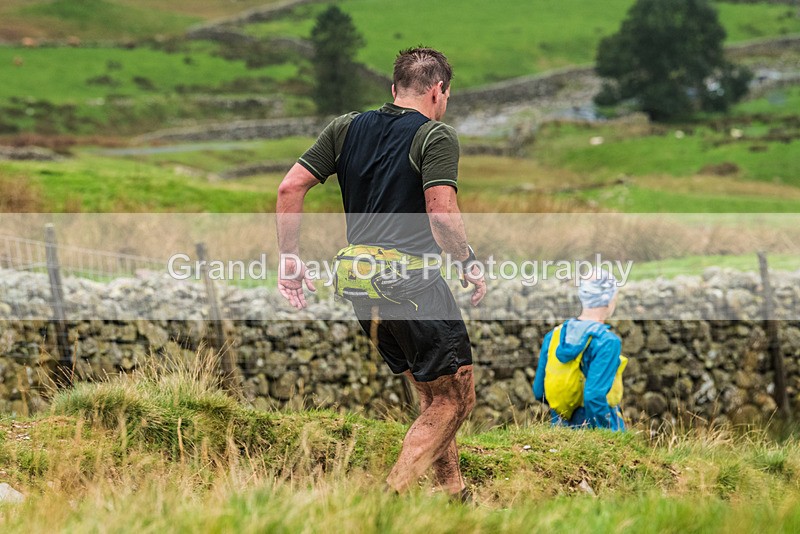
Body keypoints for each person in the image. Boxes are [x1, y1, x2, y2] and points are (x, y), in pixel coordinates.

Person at [276, 47, 486, 500]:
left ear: (394, 90)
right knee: (457, 396)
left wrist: (289, 256)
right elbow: (442, 215)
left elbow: (290, 186)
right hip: (413, 285)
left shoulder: (345, 128)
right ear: (438, 90)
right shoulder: (436, 136)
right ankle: (389, 498)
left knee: (432, 392)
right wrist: (468, 259)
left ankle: (454, 494)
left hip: (359, 285)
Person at [532, 270, 626, 431]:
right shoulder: (607, 342)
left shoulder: (554, 335)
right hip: (597, 430)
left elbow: (539, 390)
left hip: (560, 427)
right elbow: (594, 396)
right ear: (609, 299)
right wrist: (610, 435)